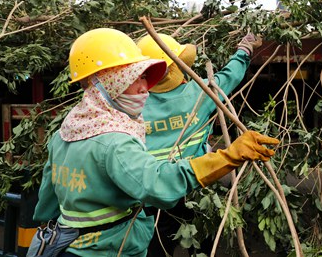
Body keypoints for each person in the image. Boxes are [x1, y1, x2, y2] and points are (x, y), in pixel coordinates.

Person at [32, 28, 278, 257]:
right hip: (121, 237)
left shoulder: (70, 128)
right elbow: (158, 184)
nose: (143, 89)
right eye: (133, 78)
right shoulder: (119, 138)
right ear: (111, 83)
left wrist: (45, 225)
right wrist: (227, 156)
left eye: (144, 78)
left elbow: (49, 192)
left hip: (72, 241)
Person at [136, 32, 262, 257]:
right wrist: (244, 49)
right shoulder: (200, 92)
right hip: (196, 185)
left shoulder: (134, 103)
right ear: (177, 66)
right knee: (203, 242)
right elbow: (229, 76)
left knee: (155, 246)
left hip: (153, 191)